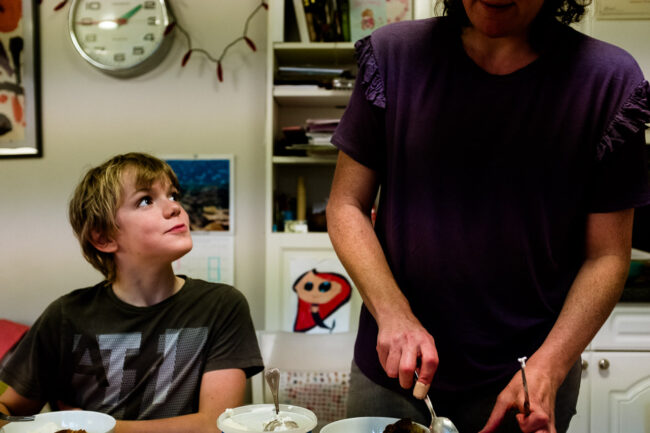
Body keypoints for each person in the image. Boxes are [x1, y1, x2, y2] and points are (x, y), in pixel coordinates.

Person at [326, 0, 650, 431]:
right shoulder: (393, 55)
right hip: (394, 373)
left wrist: (548, 367)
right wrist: (393, 314)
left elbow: (607, 255)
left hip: (526, 381)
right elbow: (345, 205)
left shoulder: (608, 80)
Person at [0, 153, 263, 432]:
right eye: (146, 200)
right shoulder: (64, 316)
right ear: (104, 237)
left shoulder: (222, 305)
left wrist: (94, 428)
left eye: (173, 195)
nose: (175, 208)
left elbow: (215, 425)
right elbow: (10, 410)